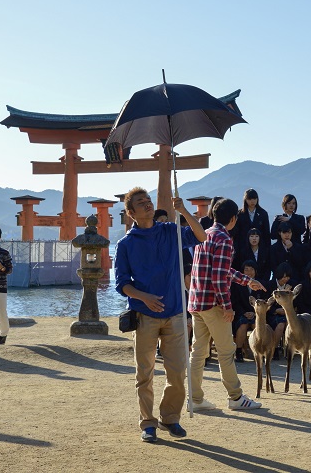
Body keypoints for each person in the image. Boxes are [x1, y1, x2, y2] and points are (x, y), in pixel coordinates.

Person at [114, 188, 206, 442]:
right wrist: (144, 297)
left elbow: (201, 237)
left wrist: (184, 211)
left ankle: (170, 418)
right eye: (140, 203)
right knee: (145, 372)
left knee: (177, 372)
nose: (147, 205)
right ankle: (147, 423)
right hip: (144, 315)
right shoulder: (126, 244)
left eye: (148, 200)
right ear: (131, 213)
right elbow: (121, 283)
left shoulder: (170, 231)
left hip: (175, 312)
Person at [188, 197, 266, 413]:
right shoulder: (224, 239)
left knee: (198, 351)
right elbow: (219, 276)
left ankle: (194, 398)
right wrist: (227, 306)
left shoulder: (205, 234)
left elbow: (220, 270)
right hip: (213, 304)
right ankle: (236, 397)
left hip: (196, 302)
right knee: (226, 351)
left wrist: (247, 280)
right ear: (233, 219)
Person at [231, 260, 259, 363]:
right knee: (243, 324)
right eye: (246, 269)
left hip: (256, 313)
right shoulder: (237, 285)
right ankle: (238, 351)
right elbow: (235, 302)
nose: (249, 272)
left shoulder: (260, 284)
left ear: (255, 271)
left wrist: (254, 312)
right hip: (241, 313)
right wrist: (244, 313)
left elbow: (263, 301)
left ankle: (259, 350)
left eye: (251, 269)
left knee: (257, 325)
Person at [233, 188, 270, 254]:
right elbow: (237, 233)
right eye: (250, 199)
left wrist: (267, 248)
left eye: (254, 199)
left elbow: (266, 233)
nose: (252, 201)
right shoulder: (239, 214)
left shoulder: (263, 213)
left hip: (259, 247)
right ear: (245, 200)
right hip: (243, 248)